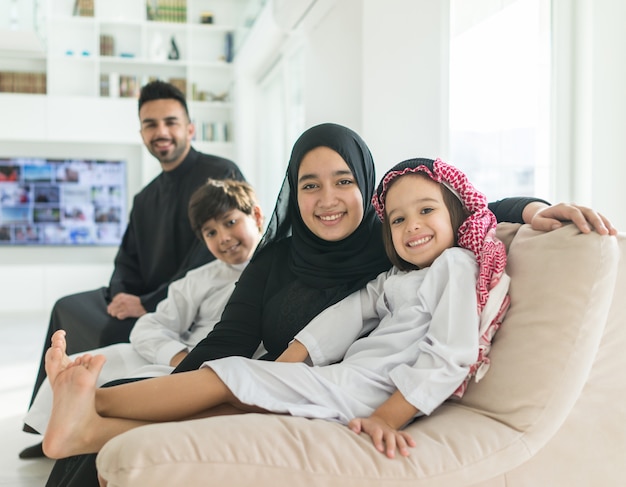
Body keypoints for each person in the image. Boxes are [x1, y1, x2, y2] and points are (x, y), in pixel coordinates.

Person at [41, 122, 617, 485]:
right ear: (293, 191)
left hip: (348, 386)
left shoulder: (410, 244)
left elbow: (465, 205)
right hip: (309, 373)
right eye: (309, 184)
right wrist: (293, 355)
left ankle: (92, 412)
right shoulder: (338, 258)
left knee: (230, 384)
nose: (326, 198)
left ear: (364, 185)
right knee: (225, 378)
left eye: (343, 180)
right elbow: (260, 332)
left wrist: (536, 210)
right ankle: (89, 418)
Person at [40, 157, 514, 460]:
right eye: (397, 218)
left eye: (427, 211)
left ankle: (93, 400)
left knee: (222, 377)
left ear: (457, 216)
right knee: (229, 406)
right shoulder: (396, 277)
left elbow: (450, 354)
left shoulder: (455, 264)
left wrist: (388, 417)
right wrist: (293, 361)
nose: (413, 226)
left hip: (364, 392)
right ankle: (85, 433)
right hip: (341, 381)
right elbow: (347, 313)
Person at [19, 80, 245, 459]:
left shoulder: (220, 172)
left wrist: (145, 302)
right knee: (67, 307)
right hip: (142, 297)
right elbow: (126, 258)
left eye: (170, 122)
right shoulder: (145, 197)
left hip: (173, 301)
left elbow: (212, 256)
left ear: (189, 128)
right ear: (141, 133)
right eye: (150, 124)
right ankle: (45, 421)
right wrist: (122, 292)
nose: (161, 132)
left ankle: (87, 423)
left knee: (107, 328)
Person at [22, 178, 265, 440]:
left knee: (133, 389)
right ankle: (65, 409)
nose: (224, 238)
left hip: (217, 368)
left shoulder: (282, 269)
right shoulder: (199, 279)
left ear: (257, 215)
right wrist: (180, 357)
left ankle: (80, 424)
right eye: (211, 233)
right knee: (97, 365)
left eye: (230, 222)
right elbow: (149, 326)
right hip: (183, 356)